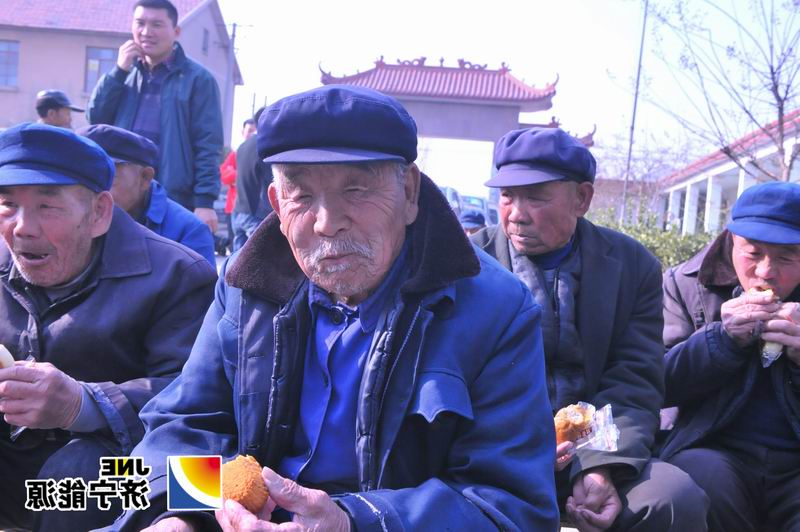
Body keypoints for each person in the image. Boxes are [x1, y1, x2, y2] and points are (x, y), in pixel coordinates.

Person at [109, 85, 558, 531]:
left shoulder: (496, 309)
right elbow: (179, 424)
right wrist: (180, 515)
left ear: (409, 192)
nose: (327, 223)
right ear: (277, 205)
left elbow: (514, 507)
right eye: (302, 196)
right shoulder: (246, 289)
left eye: (356, 190)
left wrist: (354, 523)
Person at [471, 127, 708, 531]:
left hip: (596, 447)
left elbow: (634, 379)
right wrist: (520, 448)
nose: (516, 214)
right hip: (493, 451)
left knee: (673, 499)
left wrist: (599, 467)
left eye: (535, 197)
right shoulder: (469, 264)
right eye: (507, 196)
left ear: (582, 199)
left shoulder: (632, 266)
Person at [0, 123, 217, 531]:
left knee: (77, 475)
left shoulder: (180, 274)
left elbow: (206, 409)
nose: (23, 227)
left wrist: (83, 404)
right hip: (19, 468)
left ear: (99, 211)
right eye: (8, 204)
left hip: (128, 466)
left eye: (47, 206)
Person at [660, 182, 800, 532]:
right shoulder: (683, 285)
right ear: (731, 240)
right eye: (753, 253)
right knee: (701, 478)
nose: (766, 272)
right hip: (713, 448)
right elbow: (655, 383)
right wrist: (721, 340)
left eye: (785, 258)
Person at [86, 0, 224, 234]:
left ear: (176, 31)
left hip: (173, 197)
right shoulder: (124, 75)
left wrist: (204, 202)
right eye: (140, 23)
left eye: (157, 24)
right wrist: (119, 72)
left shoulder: (198, 80)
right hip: (120, 194)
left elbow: (208, 144)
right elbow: (96, 119)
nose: (146, 32)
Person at [78, 124, 216, 265]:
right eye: (83, 179)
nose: (92, 191)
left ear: (145, 178)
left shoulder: (188, 231)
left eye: (107, 179)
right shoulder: (72, 217)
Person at [231, 109, 272, 251]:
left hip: (238, 211)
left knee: (236, 261)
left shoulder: (242, 146)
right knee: (261, 258)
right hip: (256, 214)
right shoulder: (266, 146)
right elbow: (272, 181)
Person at [220, 118, 258, 252]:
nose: (252, 134)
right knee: (235, 250)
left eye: (254, 131)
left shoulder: (259, 153)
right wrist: (242, 175)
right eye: (249, 131)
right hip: (233, 207)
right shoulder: (236, 154)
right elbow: (224, 174)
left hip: (252, 209)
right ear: (243, 132)